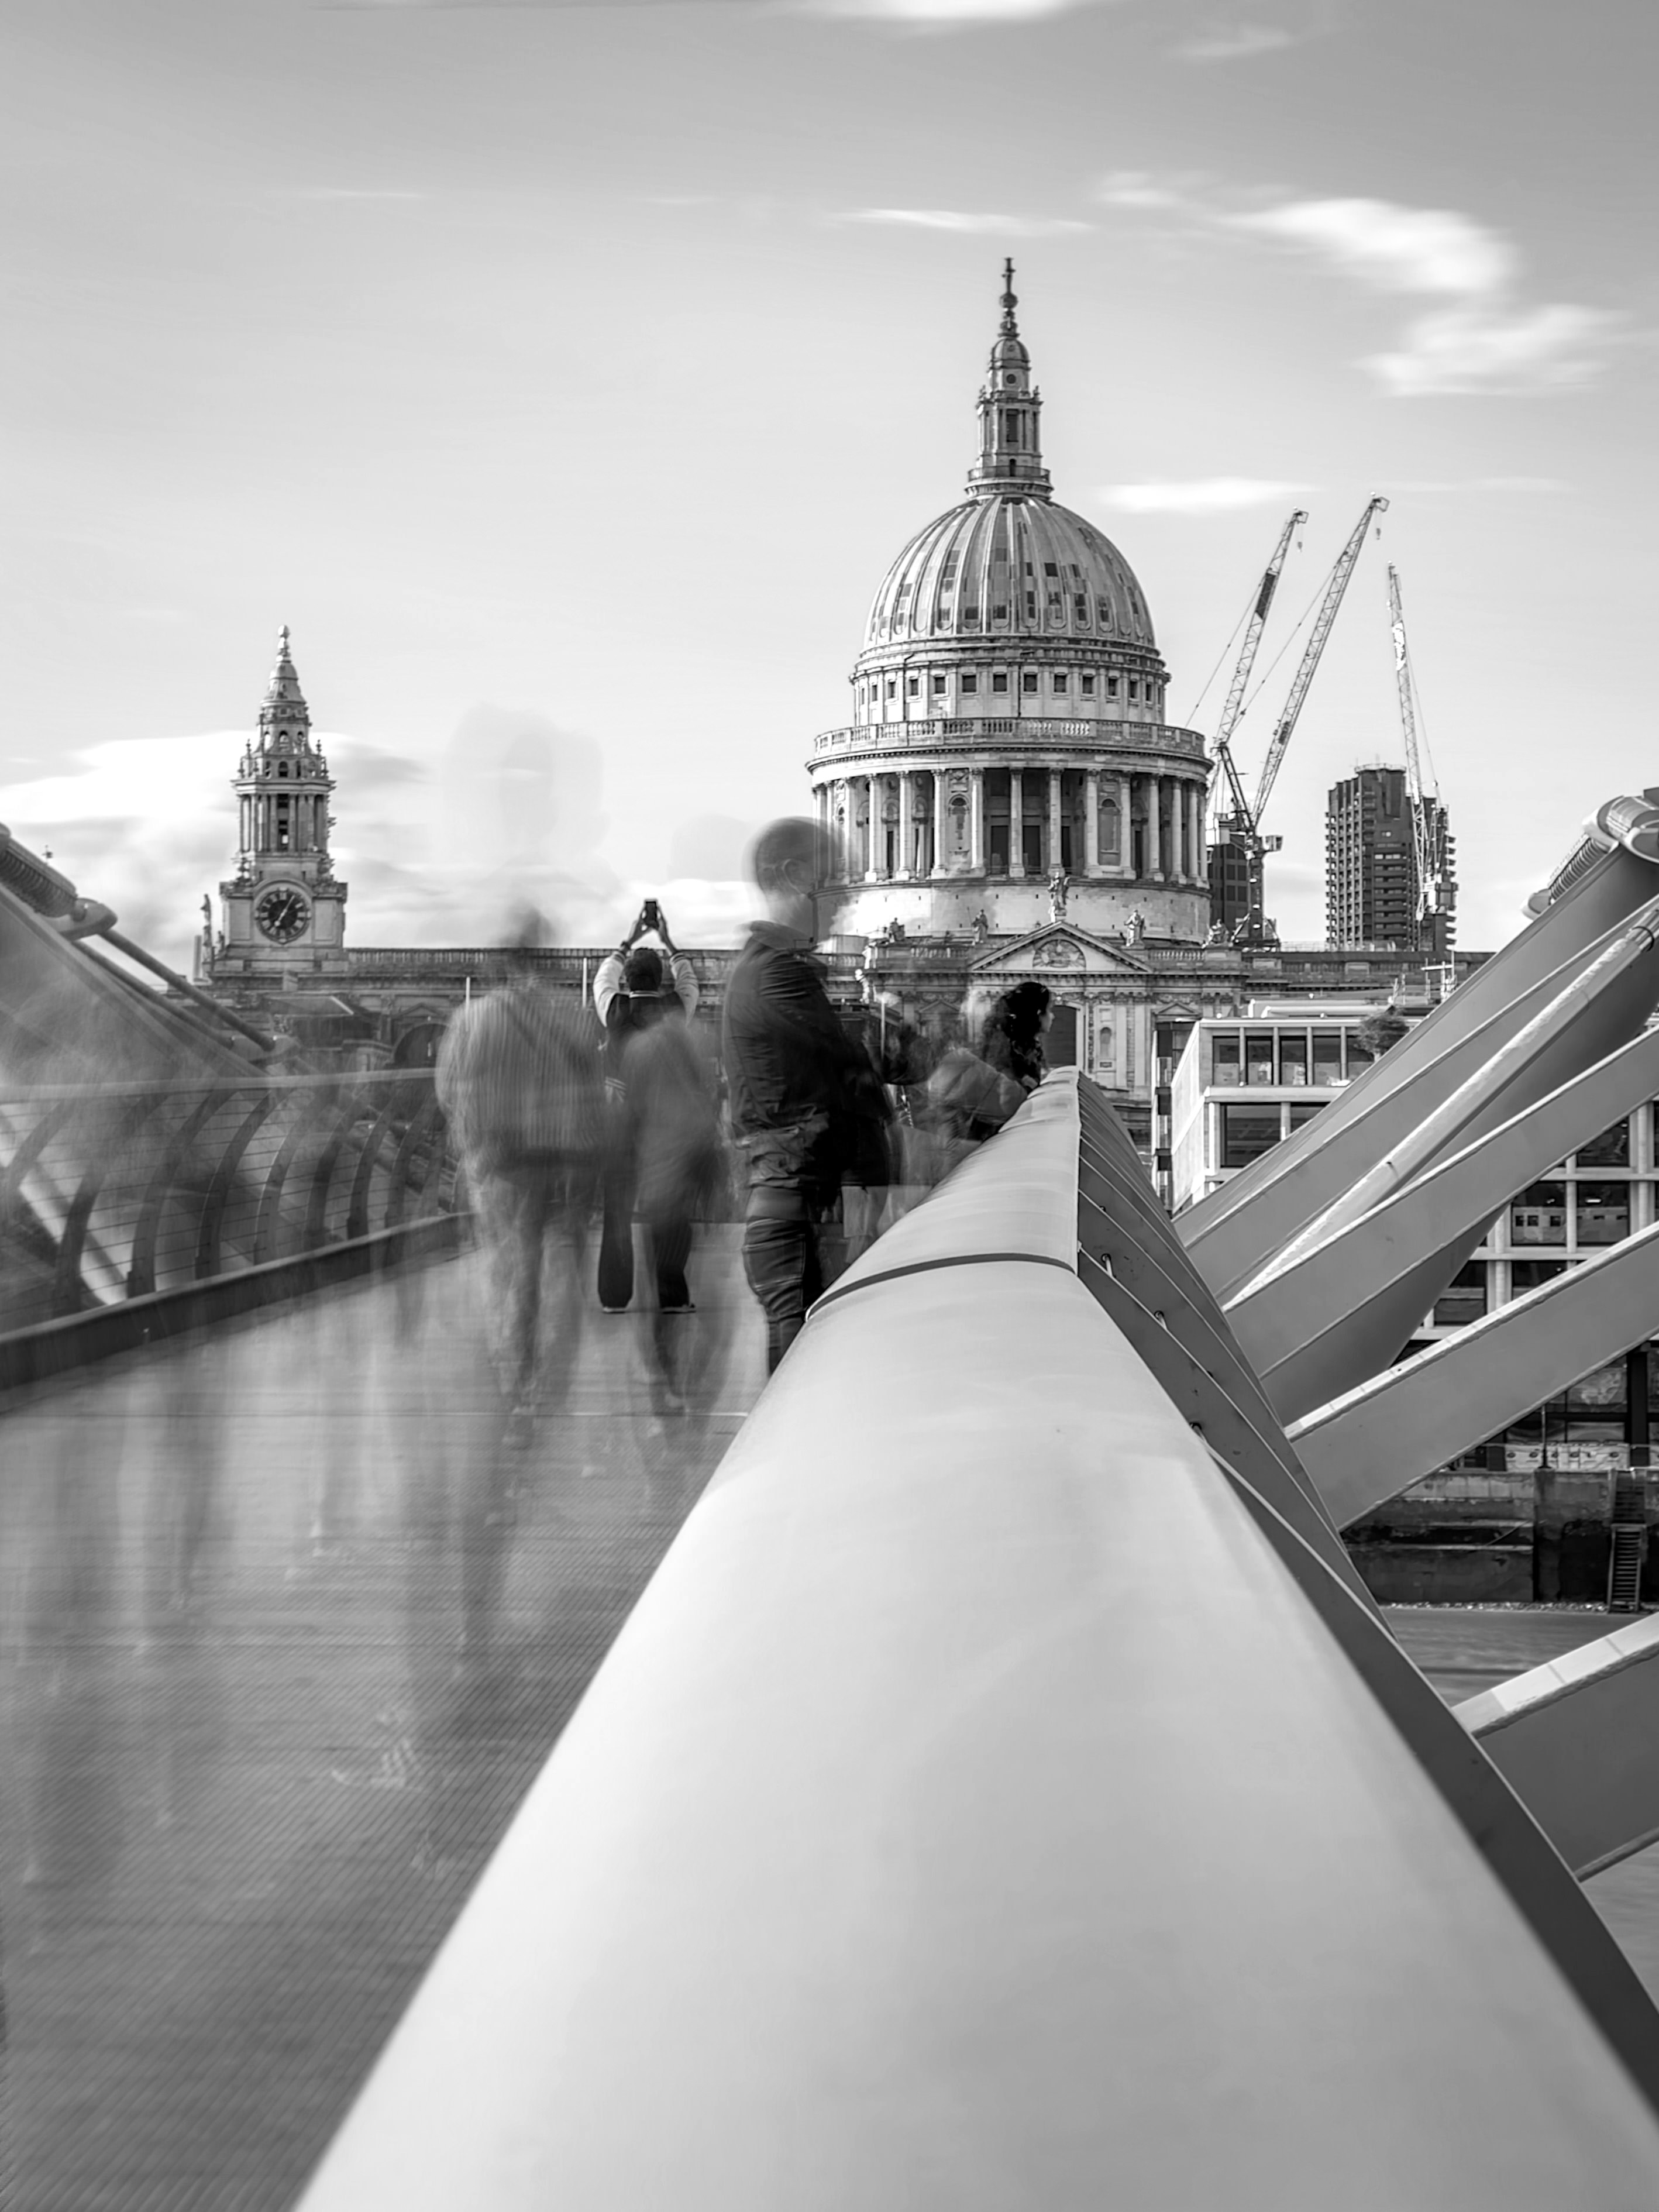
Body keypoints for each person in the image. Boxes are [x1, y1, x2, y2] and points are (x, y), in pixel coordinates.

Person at [722, 818, 880, 1374]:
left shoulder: (765, 968)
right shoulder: (777, 975)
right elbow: (856, 1065)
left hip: (789, 1201)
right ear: (793, 877)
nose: (842, 901)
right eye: (830, 880)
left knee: (800, 1376)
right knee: (797, 1378)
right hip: (791, 1206)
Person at [435, 924, 601, 1439]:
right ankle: (549, 1372)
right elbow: (594, 1087)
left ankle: (519, 1386)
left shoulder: (472, 1018)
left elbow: (447, 1090)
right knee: (556, 1268)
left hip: (501, 1164)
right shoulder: (571, 1015)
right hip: (564, 1161)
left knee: (511, 1270)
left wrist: (474, 1140)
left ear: (497, 966)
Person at [591, 904, 700, 1313]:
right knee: (670, 1211)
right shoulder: (676, 1009)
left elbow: (603, 977)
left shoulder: (613, 1009)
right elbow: (690, 980)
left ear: (628, 979)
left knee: (617, 1215)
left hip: (620, 1131)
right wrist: (668, 941)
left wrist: (629, 940)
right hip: (664, 1133)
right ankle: (671, 1295)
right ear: (660, 978)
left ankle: (615, 1296)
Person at [981, 978, 1053, 1094]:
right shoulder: (1009, 1059)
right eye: (1049, 1010)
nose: (1052, 1016)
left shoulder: (1024, 1048)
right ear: (1038, 1014)